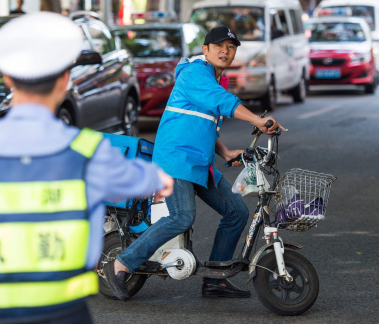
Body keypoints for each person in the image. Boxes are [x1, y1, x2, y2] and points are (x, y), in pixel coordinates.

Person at [0, 12, 173, 324]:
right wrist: (159, 179)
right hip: (62, 313)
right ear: (65, 81)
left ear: (7, 79)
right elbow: (142, 179)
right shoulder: (88, 152)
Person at [106, 26, 283, 300]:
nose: (225, 51)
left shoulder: (215, 79)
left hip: (199, 162)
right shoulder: (194, 73)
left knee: (236, 212)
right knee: (182, 216)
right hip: (175, 158)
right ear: (205, 49)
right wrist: (258, 120)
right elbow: (220, 102)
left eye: (231, 47)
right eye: (219, 46)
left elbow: (204, 124)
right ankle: (121, 263)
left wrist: (224, 153)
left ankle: (215, 281)